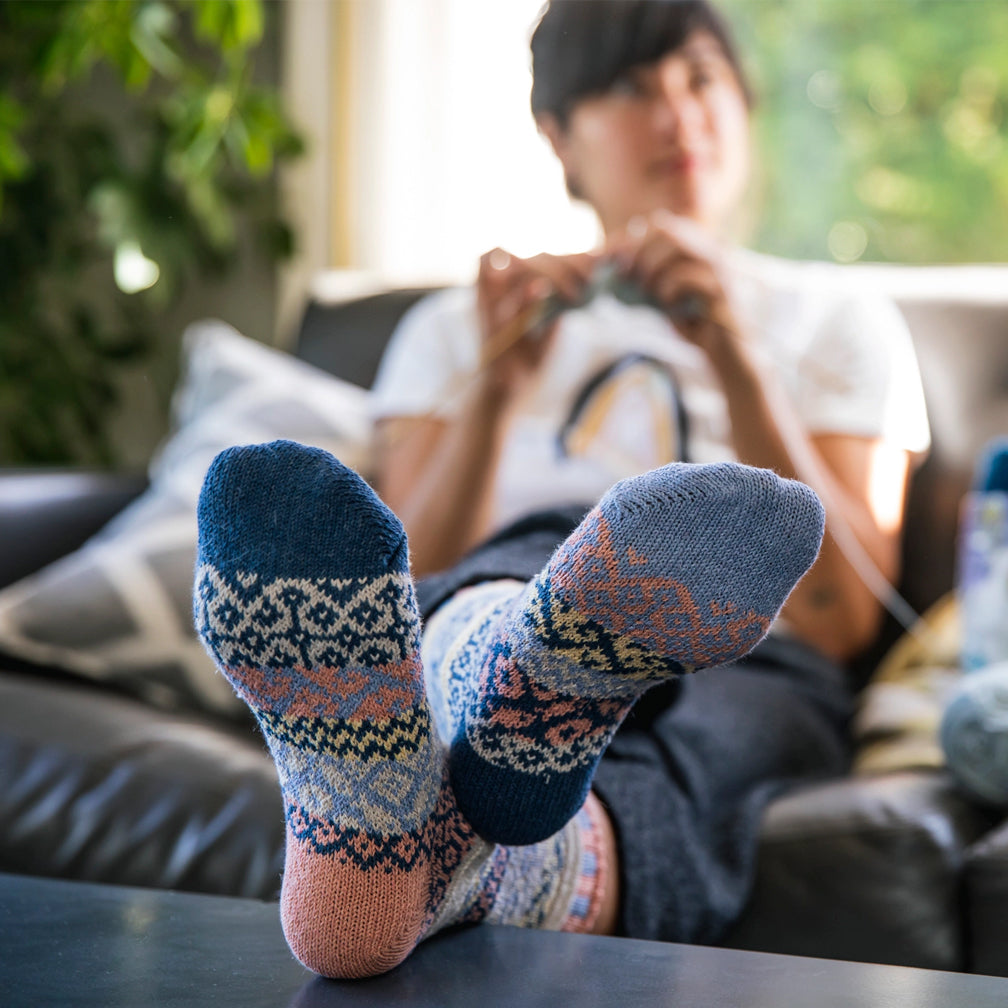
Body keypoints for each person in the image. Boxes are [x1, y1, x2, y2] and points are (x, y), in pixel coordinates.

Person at [193, 0, 930, 981]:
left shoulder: (836, 320)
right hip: (490, 595)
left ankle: (366, 885)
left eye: (701, 77)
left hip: (755, 661)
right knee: (537, 571)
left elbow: (838, 620)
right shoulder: (459, 328)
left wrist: (735, 355)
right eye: (631, 86)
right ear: (560, 137)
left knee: (679, 758)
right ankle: (514, 665)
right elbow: (390, 581)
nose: (679, 115)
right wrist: (496, 392)